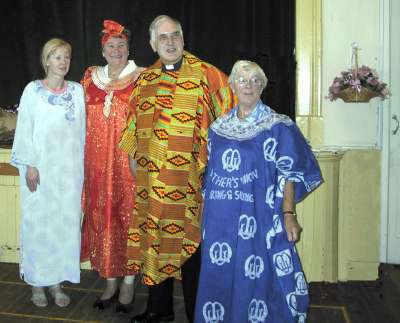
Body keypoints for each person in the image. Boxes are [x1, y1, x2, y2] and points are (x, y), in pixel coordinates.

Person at [119, 14, 235, 323]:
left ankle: (198, 312)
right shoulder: (145, 79)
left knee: (190, 245)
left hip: (191, 182)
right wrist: (133, 159)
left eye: (175, 36)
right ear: (152, 43)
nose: (169, 42)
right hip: (151, 180)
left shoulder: (208, 75)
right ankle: (159, 309)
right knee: (155, 243)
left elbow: (234, 116)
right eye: (163, 38)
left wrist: (221, 167)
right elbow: (133, 122)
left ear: (183, 40)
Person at [194, 60, 323, 323]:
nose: (248, 85)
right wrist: (202, 215)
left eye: (255, 80)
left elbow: (290, 172)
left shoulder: (278, 126)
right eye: (242, 80)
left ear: (263, 86)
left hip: (259, 217)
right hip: (220, 221)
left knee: (258, 280)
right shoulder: (217, 128)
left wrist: (288, 213)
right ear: (232, 86)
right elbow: (210, 176)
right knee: (220, 278)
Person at [10, 38, 85, 308]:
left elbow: (84, 134)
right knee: (39, 227)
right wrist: (29, 164)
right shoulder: (32, 91)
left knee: (62, 228)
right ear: (46, 60)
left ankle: (57, 282)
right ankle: (37, 283)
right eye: (56, 56)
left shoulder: (77, 92)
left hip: (68, 175)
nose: (62, 61)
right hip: (39, 173)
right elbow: (24, 129)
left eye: (66, 56)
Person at [80, 20, 144, 312]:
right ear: (102, 50)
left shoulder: (143, 78)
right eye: (110, 46)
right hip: (95, 167)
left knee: (128, 220)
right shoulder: (89, 79)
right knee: (102, 221)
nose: (116, 50)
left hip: (128, 166)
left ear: (129, 48)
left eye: (121, 45)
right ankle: (109, 281)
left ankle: (129, 282)